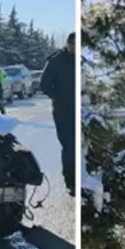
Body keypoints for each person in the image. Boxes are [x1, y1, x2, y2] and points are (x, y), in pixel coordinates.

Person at [39, 32, 76, 194]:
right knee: (69, 146)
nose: (76, 47)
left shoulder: (82, 62)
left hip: (81, 110)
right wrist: (59, 97)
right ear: (68, 44)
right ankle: (71, 181)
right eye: (74, 44)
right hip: (63, 112)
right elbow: (44, 85)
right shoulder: (56, 61)